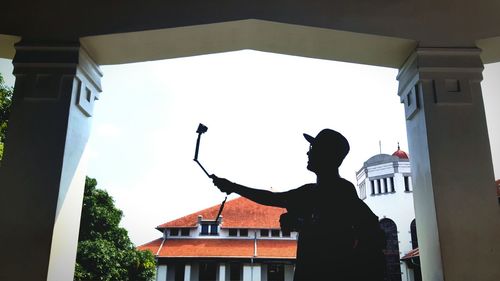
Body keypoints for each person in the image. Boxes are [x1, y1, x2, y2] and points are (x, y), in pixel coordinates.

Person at [211, 129, 386, 281]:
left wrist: (303, 223)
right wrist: (232, 186)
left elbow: (344, 234)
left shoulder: (342, 192)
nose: (308, 153)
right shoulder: (309, 192)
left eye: (313, 149)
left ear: (327, 155)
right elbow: (271, 198)